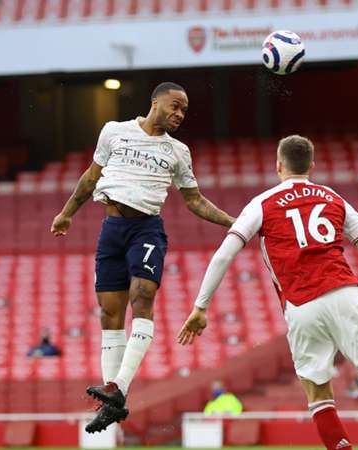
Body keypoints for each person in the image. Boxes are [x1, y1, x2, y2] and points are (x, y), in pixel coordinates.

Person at [176, 135, 358, 450]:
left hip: (299, 305)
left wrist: (201, 307)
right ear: (311, 165)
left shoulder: (262, 203)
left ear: (278, 165)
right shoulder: (332, 197)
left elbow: (224, 255)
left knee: (319, 396)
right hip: (343, 291)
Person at [49, 82, 236, 433]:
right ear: (155, 102)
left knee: (142, 298)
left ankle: (118, 386)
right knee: (109, 312)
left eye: (184, 110)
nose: (179, 114)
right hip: (111, 230)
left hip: (146, 230)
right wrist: (66, 213)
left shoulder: (177, 151)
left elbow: (194, 200)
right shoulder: (114, 132)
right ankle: (111, 397)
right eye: (175, 106)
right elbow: (91, 177)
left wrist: (234, 222)